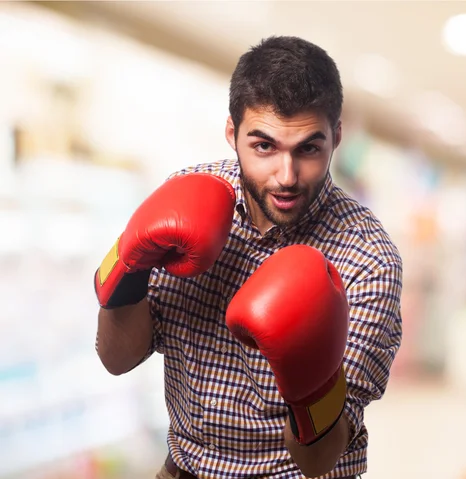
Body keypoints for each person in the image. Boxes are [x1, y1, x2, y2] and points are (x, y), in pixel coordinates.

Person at [93, 35, 403, 479]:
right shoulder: (187, 194)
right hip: (183, 469)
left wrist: (308, 374)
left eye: (309, 149)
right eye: (264, 147)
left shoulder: (367, 259)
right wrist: (129, 268)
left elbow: (319, 460)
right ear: (231, 133)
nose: (286, 176)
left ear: (336, 136)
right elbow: (116, 359)